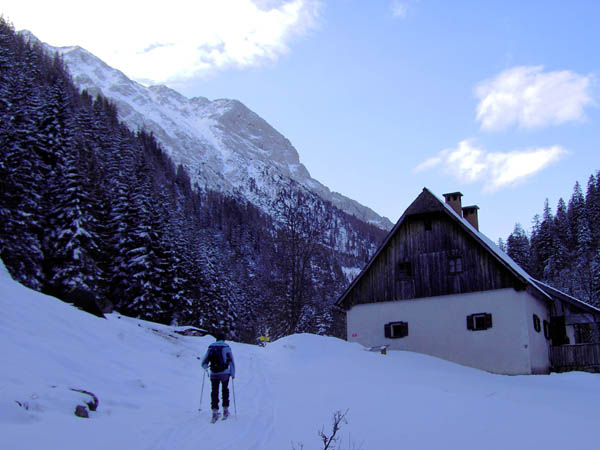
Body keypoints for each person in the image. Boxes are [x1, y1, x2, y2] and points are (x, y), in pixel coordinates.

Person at [201, 332, 235, 422]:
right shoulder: (226, 347)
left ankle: (215, 412)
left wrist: (206, 368)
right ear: (224, 339)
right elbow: (231, 361)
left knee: (214, 391)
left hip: (214, 373)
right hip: (224, 373)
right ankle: (225, 410)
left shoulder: (211, 347)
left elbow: (204, 362)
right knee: (225, 390)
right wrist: (232, 373)